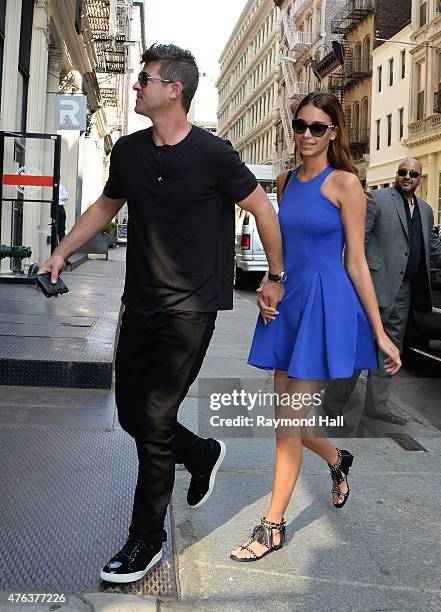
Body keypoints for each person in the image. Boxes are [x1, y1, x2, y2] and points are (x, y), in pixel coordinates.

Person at [37, 43, 285, 582]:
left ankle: (145, 540)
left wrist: (275, 276)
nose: (136, 86)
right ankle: (199, 453)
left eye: (144, 79)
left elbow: (262, 208)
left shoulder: (215, 154)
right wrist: (61, 252)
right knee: (131, 414)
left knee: (152, 420)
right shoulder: (127, 151)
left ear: (174, 89)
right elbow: (105, 206)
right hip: (140, 303)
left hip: (192, 308)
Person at [230, 91, 401, 562]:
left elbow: (358, 262)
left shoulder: (345, 184)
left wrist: (379, 331)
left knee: (287, 423)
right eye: (300, 126)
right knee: (290, 420)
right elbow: (283, 249)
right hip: (288, 306)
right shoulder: (284, 182)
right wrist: (270, 282)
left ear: (334, 132)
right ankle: (337, 459)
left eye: (317, 128)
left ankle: (272, 526)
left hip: (325, 308)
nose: (306, 135)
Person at [323, 158, 441, 425]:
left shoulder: (425, 211)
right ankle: (333, 403)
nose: (407, 177)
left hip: (404, 290)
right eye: (402, 172)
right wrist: (355, 280)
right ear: (397, 175)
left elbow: (434, 247)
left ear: (420, 178)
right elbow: (359, 241)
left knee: (392, 349)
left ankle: (377, 406)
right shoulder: (377, 200)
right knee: (361, 346)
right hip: (374, 286)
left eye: (413, 173)